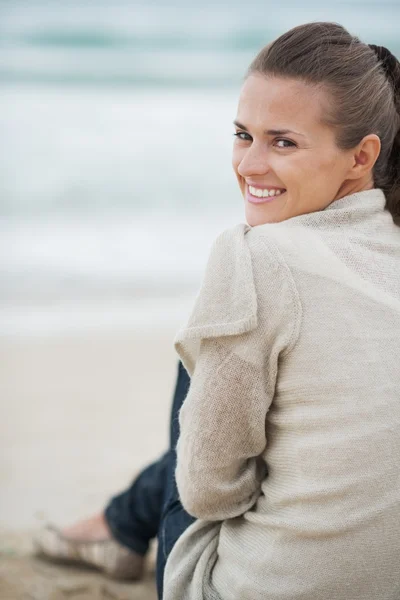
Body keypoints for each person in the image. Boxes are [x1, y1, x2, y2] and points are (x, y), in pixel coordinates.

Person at [36, 21, 400, 600]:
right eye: (242, 134)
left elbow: (207, 493)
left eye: (283, 142)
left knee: (210, 376)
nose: (249, 165)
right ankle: (119, 526)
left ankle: (119, 526)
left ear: (361, 156)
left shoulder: (256, 257)